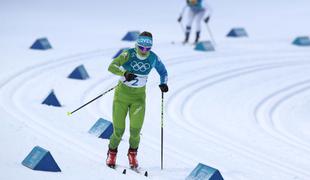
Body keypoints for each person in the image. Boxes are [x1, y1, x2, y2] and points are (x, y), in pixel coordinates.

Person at [106, 31, 169, 169]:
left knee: (135, 131)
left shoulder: (153, 58)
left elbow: (163, 72)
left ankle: (132, 154)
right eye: (141, 47)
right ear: (137, 45)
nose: (144, 51)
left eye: (148, 48)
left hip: (138, 99)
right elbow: (111, 66)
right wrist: (124, 73)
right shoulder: (128, 54)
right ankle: (112, 152)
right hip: (121, 97)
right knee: (119, 130)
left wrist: (163, 83)